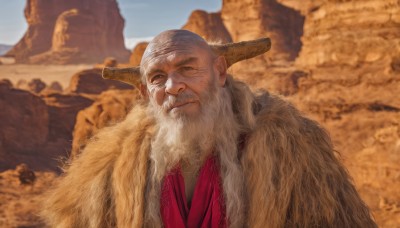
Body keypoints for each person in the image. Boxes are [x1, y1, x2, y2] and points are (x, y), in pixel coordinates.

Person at [41, 30, 377, 227]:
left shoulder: (287, 143)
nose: (173, 86)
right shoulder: (113, 163)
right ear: (144, 93)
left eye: (187, 68)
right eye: (158, 77)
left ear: (219, 72)